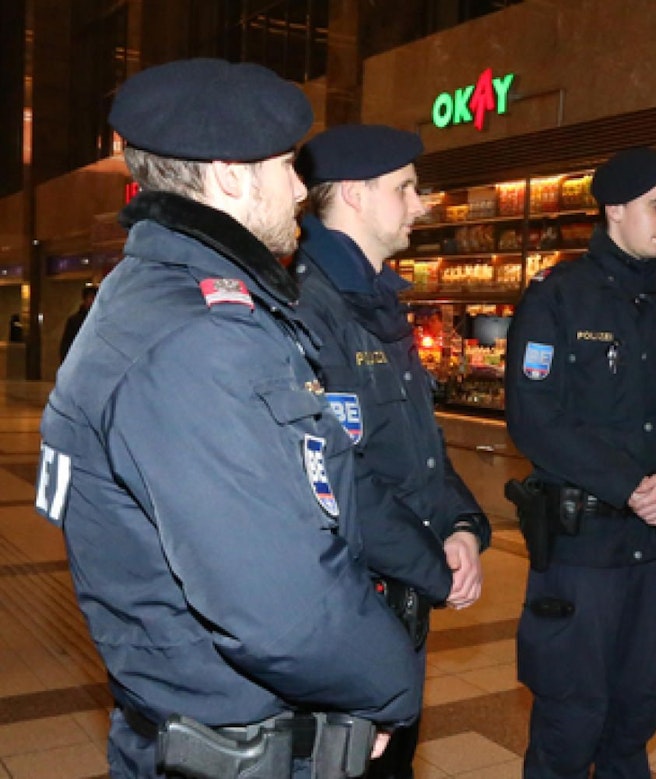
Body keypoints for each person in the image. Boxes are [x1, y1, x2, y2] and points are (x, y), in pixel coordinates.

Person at [34, 59, 421, 779]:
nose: (302, 189)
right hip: (237, 751)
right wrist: (391, 682)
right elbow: (281, 609)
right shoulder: (196, 339)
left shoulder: (152, 296)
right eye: (285, 166)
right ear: (231, 175)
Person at [503, 147, 656, 778]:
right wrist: (630, 486)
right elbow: (535, 418)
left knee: (635, 714)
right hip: (582, 551)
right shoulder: (558, 296)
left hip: (651, 549)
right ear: (615, 209)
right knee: (572, 719)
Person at [292, 124, 491, 779]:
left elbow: (417, 445)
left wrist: (460, 522)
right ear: (352, 192)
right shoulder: (305, 305)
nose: (418, 202)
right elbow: (336, 476)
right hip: (341, 611)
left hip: (395, 602)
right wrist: (435, 565)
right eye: (404, 187)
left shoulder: (381, 301)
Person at [59, 282, 97, 360]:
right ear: (84, 300)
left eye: (94, 298)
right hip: (78, 359)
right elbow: (66, 345)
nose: (92, 301)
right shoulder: (74, 320)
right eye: (90, 297)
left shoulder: (101, 320)